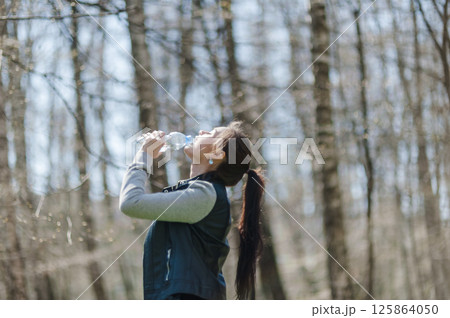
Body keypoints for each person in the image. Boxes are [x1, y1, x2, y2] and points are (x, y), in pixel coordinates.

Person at [119, 121, 265, 300]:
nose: (202, 130)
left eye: (211, 133)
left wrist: (144, 156)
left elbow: (131, 203)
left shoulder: (205, 195)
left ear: (216, 154)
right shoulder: (199, 193)